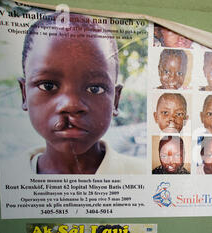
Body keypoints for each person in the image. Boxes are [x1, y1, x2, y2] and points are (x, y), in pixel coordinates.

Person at [18, 13, 144, 174]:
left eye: (95, 89)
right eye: (48, 86)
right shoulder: (5, 175)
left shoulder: (143, 174)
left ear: (115, 100)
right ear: (24, 95)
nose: (71, 105)